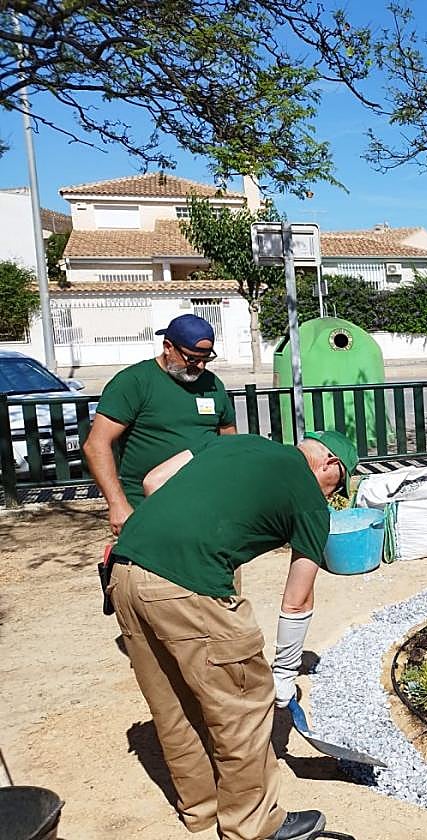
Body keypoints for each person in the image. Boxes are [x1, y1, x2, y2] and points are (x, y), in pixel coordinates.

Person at [106, 429, 359, 840]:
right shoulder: (313, 503)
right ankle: (254, 826)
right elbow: (297, 599)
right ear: (330, 464)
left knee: (173, 701)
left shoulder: (236, 441)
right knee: (243, 703)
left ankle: (201, 809)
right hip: (190, 582)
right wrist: (284, 673)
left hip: (125, 570)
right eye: (338, 484)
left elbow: (153, 482)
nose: (333, 495)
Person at [84, 313, 236, 536]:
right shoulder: (134, 382)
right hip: (148, 507)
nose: (201, 366)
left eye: (206, 359)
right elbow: (96, 445)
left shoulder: (213, 384)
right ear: (168, 347)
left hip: (205, 506)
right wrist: (117, 504)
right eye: (192, 359)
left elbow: (229, 440)